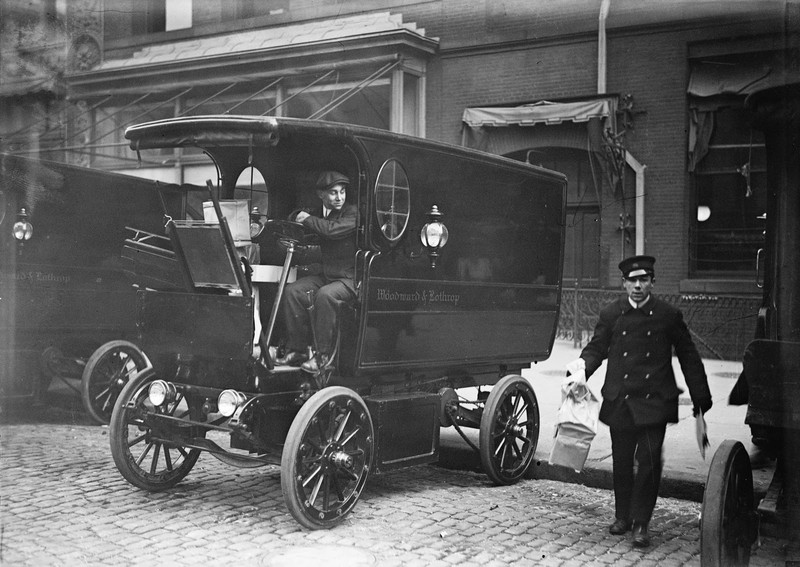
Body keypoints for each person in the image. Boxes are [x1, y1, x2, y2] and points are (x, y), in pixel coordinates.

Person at [565, 255, 712, 548]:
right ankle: (623, 516)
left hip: (655, 400)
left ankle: (641, 523)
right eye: (632, 280)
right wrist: (581, 367)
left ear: (652, 282)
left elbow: (688, 355)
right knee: (621, 461)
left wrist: (700, 395)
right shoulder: (611, 313)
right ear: (624, 283)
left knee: (649, 462)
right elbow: (597, 348)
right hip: (620, 399)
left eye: (643, 280)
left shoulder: (667, 315)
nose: (638, 286)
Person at [276, 170, 357, 374]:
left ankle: (322, 357)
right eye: (333, 193)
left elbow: (332, 230)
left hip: (349, 278)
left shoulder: (352, 212)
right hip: (328, 275)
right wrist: (297, 219)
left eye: (342, 192)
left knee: (325, 295)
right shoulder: (321, 214)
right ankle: (298, 350)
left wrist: (308, 219)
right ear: (321, 195)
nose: (339, 197)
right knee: (293, 291)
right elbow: (303, 220)